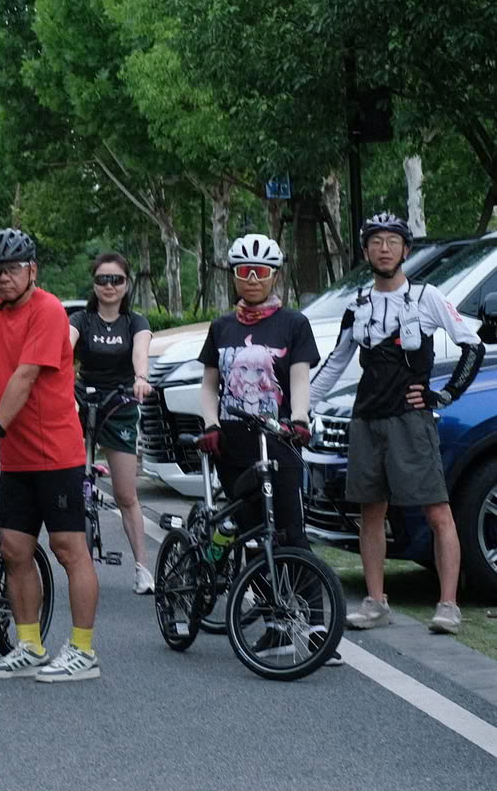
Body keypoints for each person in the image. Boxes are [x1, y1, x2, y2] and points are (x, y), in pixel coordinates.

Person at [313, 213, 484, 635]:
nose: (384, 248)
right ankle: (376, 602)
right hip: (366, 420)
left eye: (392, 241)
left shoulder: (427, 297)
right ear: (365, 250)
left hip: (411, 421)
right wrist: (298, 409)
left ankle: (448, 606)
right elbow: (333, 365)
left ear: (406, 250)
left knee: (437, 510)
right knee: (371, 512)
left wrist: (444, 394)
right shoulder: (358, 305)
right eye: (376, 242)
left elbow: (472, 345)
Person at [197, 233, 339, 664]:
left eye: (261, 271)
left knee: (290, 531)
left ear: (275, 275)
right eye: (245, 271)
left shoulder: (293, 324)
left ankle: (316, 627)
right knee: (252, 535)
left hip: (279, 439)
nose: (253, 279)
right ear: (234, 276)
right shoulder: (222, 327)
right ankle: (277, 624)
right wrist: (210, 423)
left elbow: (300, 377)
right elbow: (210, 384)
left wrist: (300, 418)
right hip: (233, 444)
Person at [0, 229, 100, 683]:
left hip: (55, 452)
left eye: (12, 269)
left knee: (68, 549)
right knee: (14, 550)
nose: (3, 278)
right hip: (16, 455)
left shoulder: (47, 309)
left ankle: (83, 651)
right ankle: (29, 645)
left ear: (32, 270)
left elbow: (25, 376)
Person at [68, 251, 154, 594]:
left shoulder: (135, 322)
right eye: (102, 279)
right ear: (94, 284)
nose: (109, 286)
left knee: (125, 493)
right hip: (81, 399)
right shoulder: (81, 319)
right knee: (64, 484)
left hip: (120, 403)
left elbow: (140, 353)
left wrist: (141, 378)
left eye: (116, 280)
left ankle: (142, 568)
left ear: (126, 284)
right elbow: (64, 348)